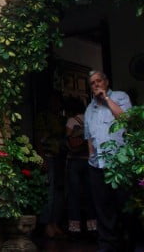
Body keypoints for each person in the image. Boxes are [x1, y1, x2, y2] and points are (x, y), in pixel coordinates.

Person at [84, 70, 132, 252]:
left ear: (106, 82)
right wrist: (91, 158)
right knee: (103, 208)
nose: (95, 85)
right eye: (92, 83)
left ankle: (128, 242)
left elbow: (127, 120)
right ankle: (106, 245)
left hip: (119, 164)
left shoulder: (120, 97)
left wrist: (106, 99)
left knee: (123, 206)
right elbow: (89, 137)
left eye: (98, 81)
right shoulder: (89, 109)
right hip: (97, 166)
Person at [35, 92, 67, 239]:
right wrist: (42, 158)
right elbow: (38, 138)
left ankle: (55, 223)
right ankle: (47, 224)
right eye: (53, 101)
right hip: (48, 156)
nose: (56, 105)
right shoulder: (43, 117)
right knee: (49, 191)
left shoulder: (62, 119)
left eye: (58, 102)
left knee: (60, 192)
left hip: (61, 158)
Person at [65, 97, 96, 240]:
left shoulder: (71, 121)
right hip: (88, 161)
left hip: (75, 161)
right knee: (90, 194)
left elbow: (67, 139)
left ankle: (74, 229)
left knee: (74, 195)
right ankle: (92, 228)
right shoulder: (89, 119)